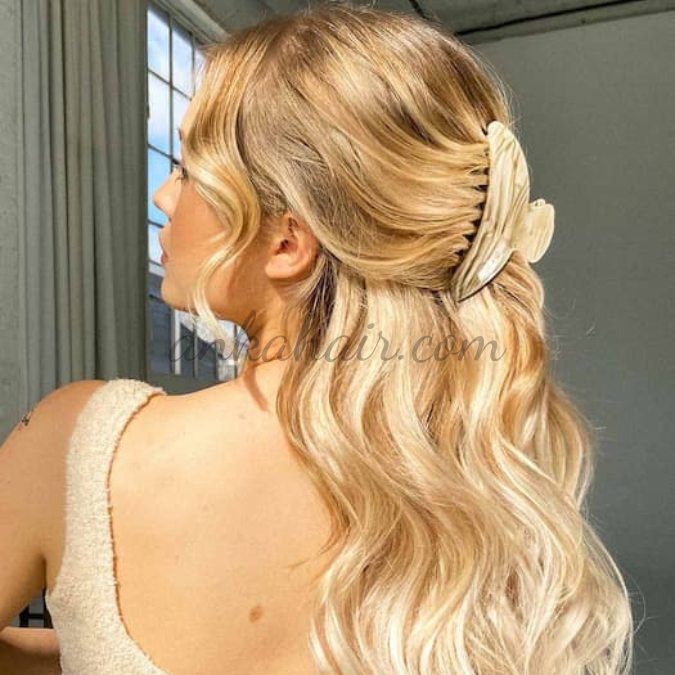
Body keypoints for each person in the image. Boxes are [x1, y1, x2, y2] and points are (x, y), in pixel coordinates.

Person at [0, 3, 634, 674]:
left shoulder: (82, 445)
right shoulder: (478, 480)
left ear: (286, 242)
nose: (163, 196)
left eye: (188, 170)